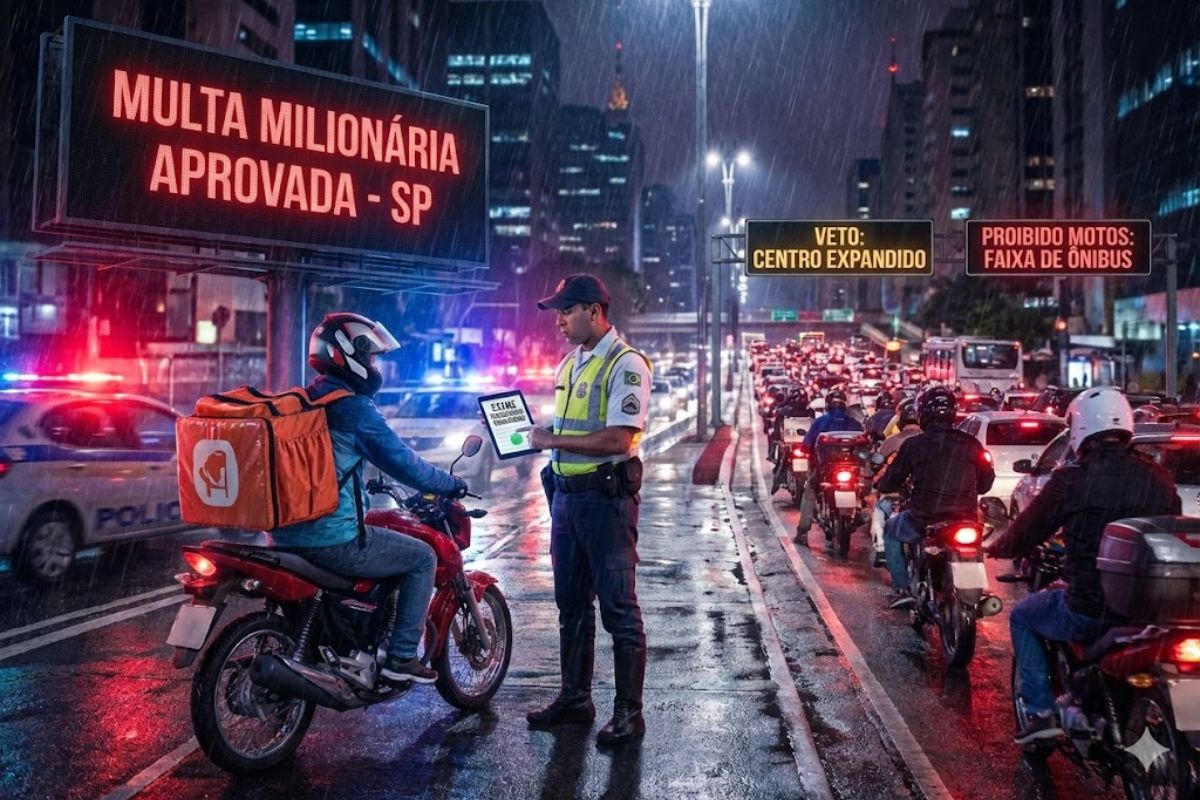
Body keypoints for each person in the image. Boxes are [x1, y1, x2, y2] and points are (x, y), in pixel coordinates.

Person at [274, 312, 468, 685]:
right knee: (421, 557)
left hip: (285, 535)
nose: (374, 365)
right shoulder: (352, 407)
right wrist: (448, 483)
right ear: (349, 355)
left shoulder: (304, 399)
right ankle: (400, 657)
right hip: (332, 539)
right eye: (371, 356)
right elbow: (404, 463)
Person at [985, 388, 1179, 745]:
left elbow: (1029, 528)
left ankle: (1041, 714)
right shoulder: (1157, 477)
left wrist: (997, 546)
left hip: (1089, 608)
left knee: (1023, 616)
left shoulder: (1072, 479)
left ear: (1080, 428)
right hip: (1149, 611)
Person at [526, 273, 652, 746]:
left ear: (594, 312)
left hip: (605, 503)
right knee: (571, 607)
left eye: (567, 310)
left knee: (619, 609)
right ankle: (575, 699)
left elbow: (620, 437)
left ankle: (628, 714)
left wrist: (553, 439)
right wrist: (530, 435)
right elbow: (568, 430)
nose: (558, 320)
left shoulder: (626, 364)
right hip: (567, 500)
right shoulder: (569, 364)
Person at [874, 386, 994, 609]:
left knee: (891, 529)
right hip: (965, 518)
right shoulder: (972, 444)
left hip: (923, 518)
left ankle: (902, 588)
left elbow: (890, 481)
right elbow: (986, 483)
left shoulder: (914, 445)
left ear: (923, 414)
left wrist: (887, 485)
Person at [795, 389, 865, 545]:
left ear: (828, 405)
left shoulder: (821, 422)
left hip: (825, 471)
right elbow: (865, 447)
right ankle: (861, 512)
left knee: (809, 492)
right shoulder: (855, 424)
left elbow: (806, 445)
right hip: (852, 471)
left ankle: (802, 532)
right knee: (864, 487)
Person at [868, 398, 921, 567]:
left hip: (901, 496)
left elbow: (878, 465)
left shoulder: (892, 441)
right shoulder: (929, 442)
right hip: (924, 499)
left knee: (879, 515)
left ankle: (882, 549)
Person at [769, 386, 810, 494]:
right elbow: (777, 429)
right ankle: (777, 482)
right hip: (791, 443)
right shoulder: (784, 411)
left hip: (804, 444)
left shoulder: (809, 412)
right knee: (782, 461)